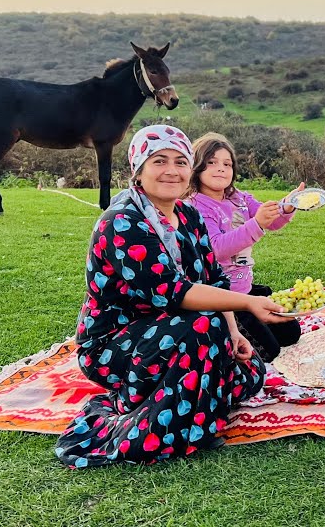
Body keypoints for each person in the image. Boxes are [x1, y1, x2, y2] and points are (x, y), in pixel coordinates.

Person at [55, 125, 290, 468]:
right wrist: (247, 303)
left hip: (172, 326)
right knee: (202, 329)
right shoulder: (122, 222)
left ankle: (188, 405)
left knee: (251, 368)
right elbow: (174, 292)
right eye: (159, 161)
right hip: (116, 342)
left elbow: (213, 278)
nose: (171, 170)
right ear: (139, 169)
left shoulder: (188, 215)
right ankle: (173, 422)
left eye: (180, 162)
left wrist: (235, 331)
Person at [186, 132, 304, 362]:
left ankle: (251, 320)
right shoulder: (196, 206)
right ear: (196, 167)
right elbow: (216, 248)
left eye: (227, 164)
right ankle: (219, 333)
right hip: (222, 299)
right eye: (211, 162)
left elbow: (272, 220)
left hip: (245, 289)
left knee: (291, 333)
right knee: (268, 352)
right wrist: (256, 224)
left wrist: (287, 206)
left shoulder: (238, 197)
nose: (221, 168)